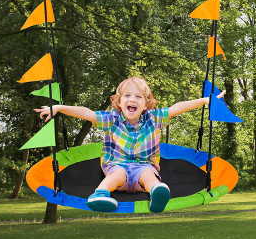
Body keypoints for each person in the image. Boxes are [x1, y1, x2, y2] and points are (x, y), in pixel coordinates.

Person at [34, 76, 225, 213]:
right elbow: (87, 113)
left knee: (148, 175)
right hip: (117, 167)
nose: (132, 100)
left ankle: (156, 192)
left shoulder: (153, 118)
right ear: (119, 102)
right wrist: (59, 107)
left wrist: (203, 100)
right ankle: (100, 194)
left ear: (146, 105)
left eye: (138, 97)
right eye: (127, 96)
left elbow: (177, 108)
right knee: (118, 173)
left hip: (144, 167)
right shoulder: (111, 119)